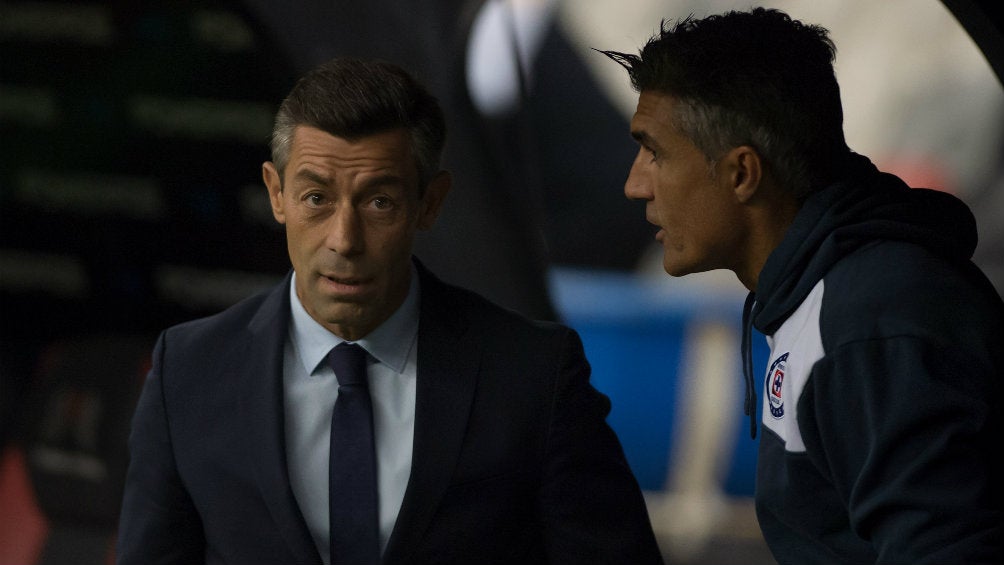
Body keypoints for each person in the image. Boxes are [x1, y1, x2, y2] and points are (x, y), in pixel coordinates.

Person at [115, 57, 663, 565]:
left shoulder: (533, 376)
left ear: (430, 202)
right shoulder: (188, 372)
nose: (344, 240)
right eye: (316, 199)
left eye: (380, 202)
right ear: (276, 194)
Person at [601, 7, 1004, 564]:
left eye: (655, 152)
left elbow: (944, 549)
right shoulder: (825, 290)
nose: (634, 184)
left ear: (742, 173)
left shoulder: (872, 319)